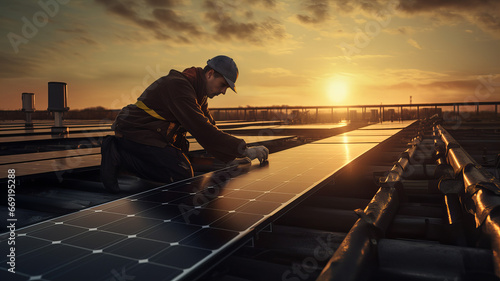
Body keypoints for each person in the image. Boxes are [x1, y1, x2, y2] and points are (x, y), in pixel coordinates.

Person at [100, 55, 269, 193]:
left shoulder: (198, 93)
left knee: (182, 169)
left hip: (153, 134)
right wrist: (243, 149)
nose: (223, 91)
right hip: (136, 132)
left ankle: (127, 154)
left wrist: (231, 156)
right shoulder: (179, 86)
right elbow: (201, 129)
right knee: (181, 173)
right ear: (210, 74)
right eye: (223, 85)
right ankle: (119, 153)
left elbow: (210, 125)